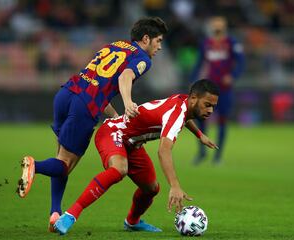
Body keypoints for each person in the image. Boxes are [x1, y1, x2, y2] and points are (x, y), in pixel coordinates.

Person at [16, 17, 168, 232]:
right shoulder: (142, 58)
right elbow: (125, 77)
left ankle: (54, 212)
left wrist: (114, 116)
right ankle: (34, 165)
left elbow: (98, 86)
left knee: (62, 159)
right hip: (83, 107)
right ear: (145, 39)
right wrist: (127, 102)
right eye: (158, 41)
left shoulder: (114, 45)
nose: (160, 47)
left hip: (67, 93)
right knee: (64, 165)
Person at [53, 79, 219, 235]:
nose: (210, 110)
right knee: (119, 169)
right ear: (194, 99)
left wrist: (199, 134)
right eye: (207, 105)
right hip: (113, 132)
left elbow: (185, 118)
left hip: (132, 144)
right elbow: (163, 151)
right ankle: (70, 215)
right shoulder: (176, 114)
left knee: (151, 188)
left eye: (213, 106)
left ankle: (132, 222)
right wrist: (175, 185)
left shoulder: (184, 102)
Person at [191, 16, 245, 165]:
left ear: (224, 26)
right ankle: (202, 152)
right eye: (215, 24)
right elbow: (199, 62)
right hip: (207, 89)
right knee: (200, 118)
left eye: (219, 25)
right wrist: (193, 79)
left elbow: (241, 63)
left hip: (224, 89)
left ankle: (218, 155)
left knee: (222, 121)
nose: (217, 27)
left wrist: (233, 76)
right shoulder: (206, 43)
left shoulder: (232, 43)